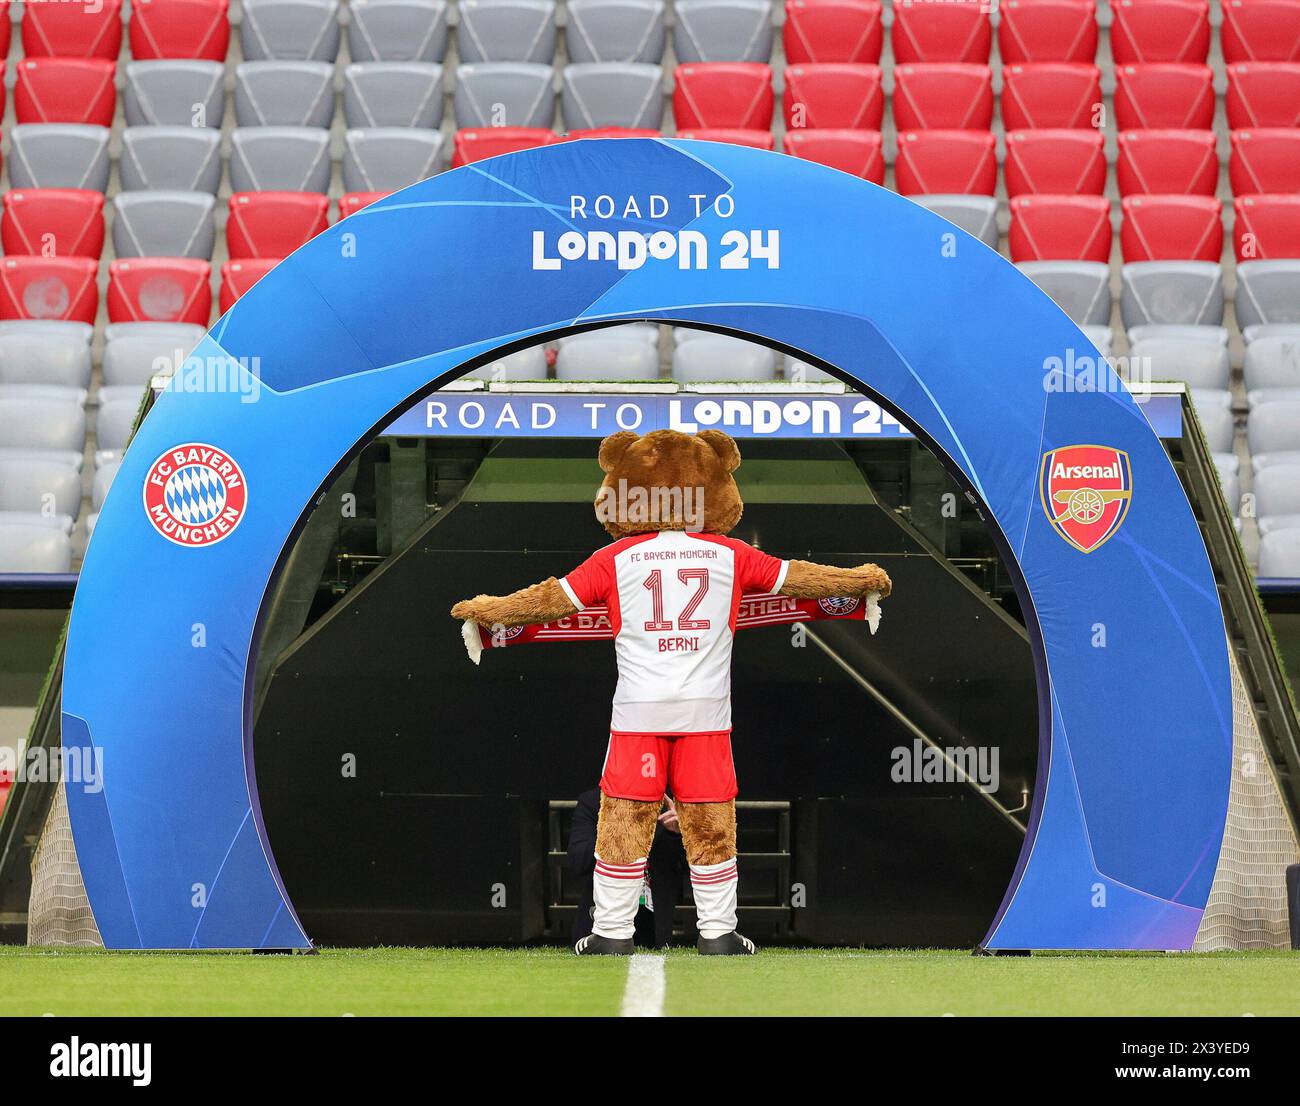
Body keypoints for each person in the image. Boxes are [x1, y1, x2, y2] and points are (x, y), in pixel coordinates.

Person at [568, 788, 686, 949]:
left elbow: (694, 871)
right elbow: (578, 862)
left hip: (654, 924)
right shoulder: (594, 801)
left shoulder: (670, 802)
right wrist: (615, 827)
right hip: (600, 922)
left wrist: (680, 834)